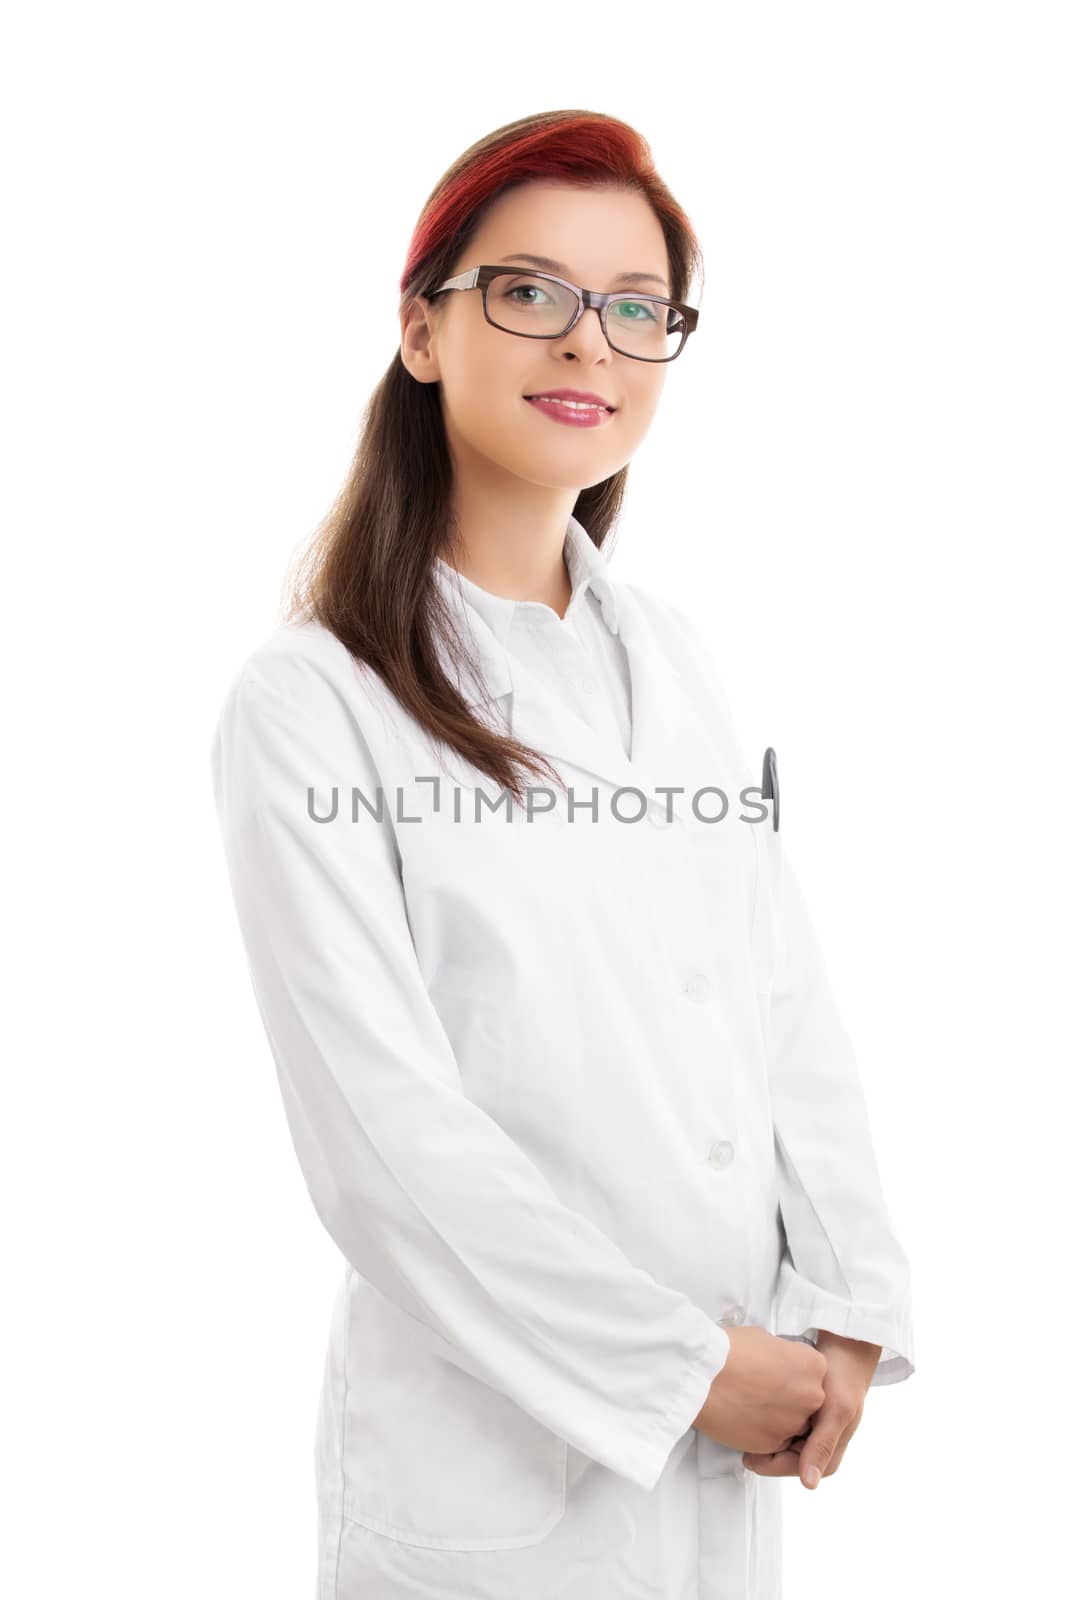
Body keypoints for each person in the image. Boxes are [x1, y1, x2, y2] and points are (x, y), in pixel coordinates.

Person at [209, 108, 915, 1600]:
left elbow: (780, 994)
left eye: (638, 309)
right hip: (501, 1479)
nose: (589, 344)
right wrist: (683, 1368)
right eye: (530, 293)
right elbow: (380, 1143)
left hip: (733, 1443)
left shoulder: (670, 657)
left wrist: (848, 1302)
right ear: (421, 330)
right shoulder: (313, 700)